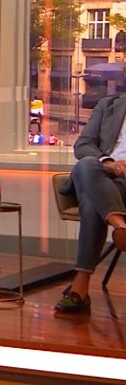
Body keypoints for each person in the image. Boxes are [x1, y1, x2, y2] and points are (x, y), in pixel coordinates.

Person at [56, 92, 126, 313]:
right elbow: (83, 145)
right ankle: (119, 224)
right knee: (86, 163)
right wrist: (109, 163)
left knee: (90, 201)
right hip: (101, 172)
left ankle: (80, 287)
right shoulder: (108, 105)